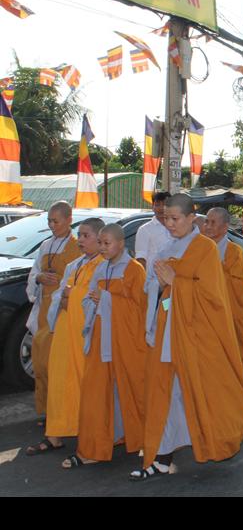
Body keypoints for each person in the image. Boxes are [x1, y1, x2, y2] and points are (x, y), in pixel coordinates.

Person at [130, 194, 243, 481]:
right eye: (166, 218)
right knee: (165, 393)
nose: (169, 224)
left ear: (191, 218)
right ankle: (161, 457)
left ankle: (217, 440)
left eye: (175, 219)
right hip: (168, 331)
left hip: (196, 336)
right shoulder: (168, 247)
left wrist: (176, 283)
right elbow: (154, 290)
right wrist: (161, 285)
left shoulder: (205, 249)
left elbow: (213, 298)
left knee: (197, 392)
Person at [60, 224, 147, 469]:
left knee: (133, 391)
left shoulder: (134, 270)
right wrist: (98, 301)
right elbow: (89, 300)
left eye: (107, 243)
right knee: (95, 394)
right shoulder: (100, 268)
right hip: (101, 338)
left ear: (121, 243)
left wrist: (107, 299)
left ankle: (140, 438)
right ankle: (92, 449)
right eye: (100, 243)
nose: (102, 248)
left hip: (127, 342)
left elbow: (140, 309)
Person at [25, 218, 105, 456]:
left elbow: (100, 299)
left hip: (86, 335)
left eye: (86, 236)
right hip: (64, 331)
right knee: (59, 382)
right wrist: (66, 297)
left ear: (100, 238)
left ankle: (89, 435)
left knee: (84, 385)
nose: (80, 240)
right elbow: (60, 295)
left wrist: (74, 295)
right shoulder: (75, 265)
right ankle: (55, 435)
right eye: (80, 235)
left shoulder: (104, 266)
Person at [203, 208, 243, 422]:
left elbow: (234, 286)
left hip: (233, 316)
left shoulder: (234, 252)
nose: (207, 226)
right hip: (209, 318)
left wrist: (207, 274)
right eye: (206, 222)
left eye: (212, 222)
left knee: (240, 359)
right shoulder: (202, 249)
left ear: (225, 227)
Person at [26, 201, 83, 422]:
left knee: (58, 366)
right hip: (44, 311)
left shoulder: (78, 246)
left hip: (63, 311)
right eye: (49, 221)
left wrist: (61, 283)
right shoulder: (45, 245)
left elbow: (79, 280)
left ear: (69, 220)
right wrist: (39, 278)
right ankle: (47, 411)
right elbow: (34, 274)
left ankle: (61, 414)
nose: (51, 225)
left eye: (56, 221)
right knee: (41, 363)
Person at [134, 191, 171, 269]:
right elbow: (141, 257)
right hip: (153, 275)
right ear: (152, 207)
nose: (161, 208)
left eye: (164, 204)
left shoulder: (177, 228)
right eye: (157, 205)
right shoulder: (144, 230)